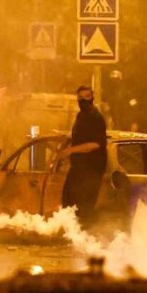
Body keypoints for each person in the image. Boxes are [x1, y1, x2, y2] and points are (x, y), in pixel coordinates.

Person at [59, 85, 108, 226]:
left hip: (91, 169)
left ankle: (85, 237)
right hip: (79, 168)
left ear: (92, 97)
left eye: (86, 97)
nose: (82, 100)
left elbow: (95, 144)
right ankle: (74, 236)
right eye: (80, 97)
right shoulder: (81, 116)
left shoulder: (95, 117)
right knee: (69, 203)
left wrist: (70, 151)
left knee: (83, 209)